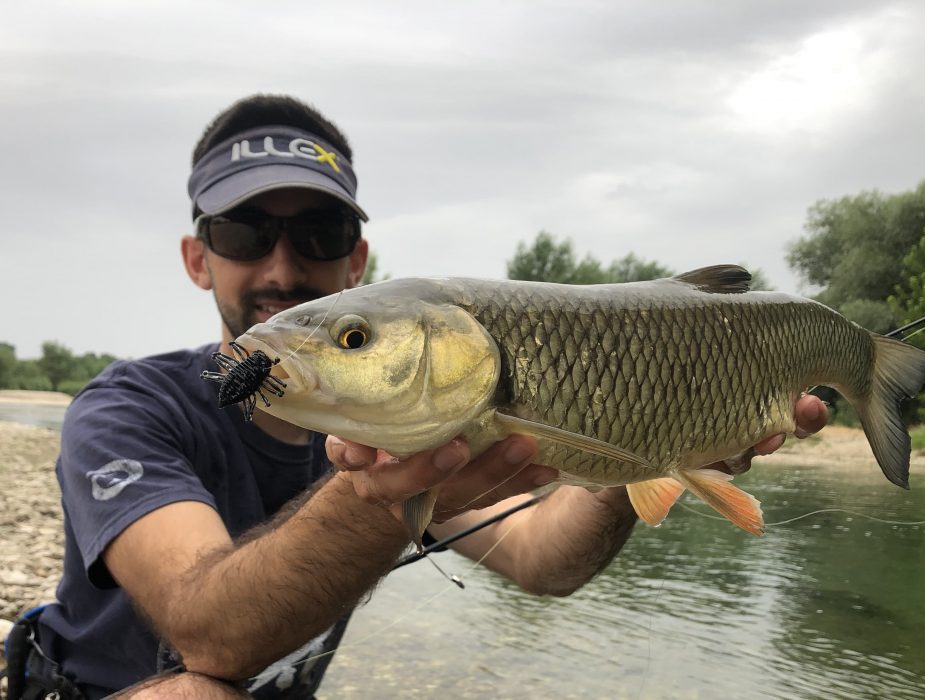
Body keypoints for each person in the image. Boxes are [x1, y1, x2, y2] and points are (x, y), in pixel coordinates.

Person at [7, 94, 827, 699]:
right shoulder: (122, 412)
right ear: (198, 257)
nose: (282, 269)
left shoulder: (412, 417)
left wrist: (658, 439)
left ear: (357, 260)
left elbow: (545, 559)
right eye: (246, 234)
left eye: (319, 236)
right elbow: (209, 632)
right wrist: (377, 498)